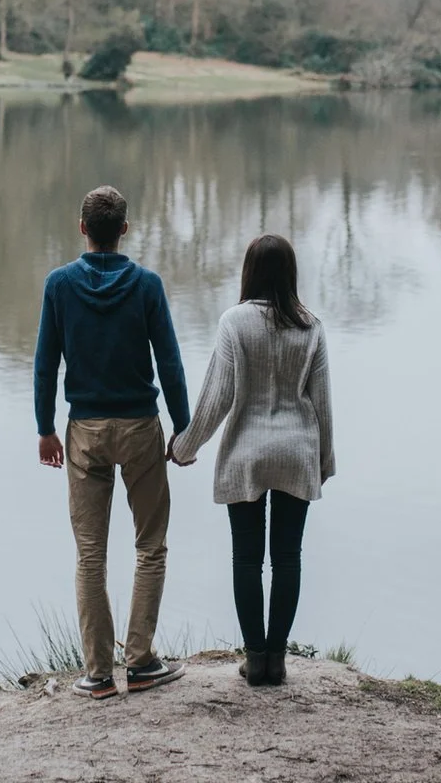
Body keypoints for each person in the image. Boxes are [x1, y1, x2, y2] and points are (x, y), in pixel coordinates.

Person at [34, 185, 190, 697]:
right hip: (141, 428)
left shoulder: (59, 285)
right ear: (123, 229)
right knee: (150, 546)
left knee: (90, 554)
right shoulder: (146, 285)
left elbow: (45, 364)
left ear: (83, 229)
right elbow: (168, 360)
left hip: (85, 433)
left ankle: (98, 674)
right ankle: (141, 662)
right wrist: (183, 427)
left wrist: (45, 428)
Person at [169, 233, 333, 688]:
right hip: (296, 452)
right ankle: (278, 659)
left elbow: (217, 397)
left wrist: (184, 446)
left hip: (246, 453)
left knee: (246, 559)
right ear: (290, 274)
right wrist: (325, 461)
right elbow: (322, 402)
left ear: (249, 272)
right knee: (287, 558)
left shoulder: (234, 322)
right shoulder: (311, 326)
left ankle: (254, 659)